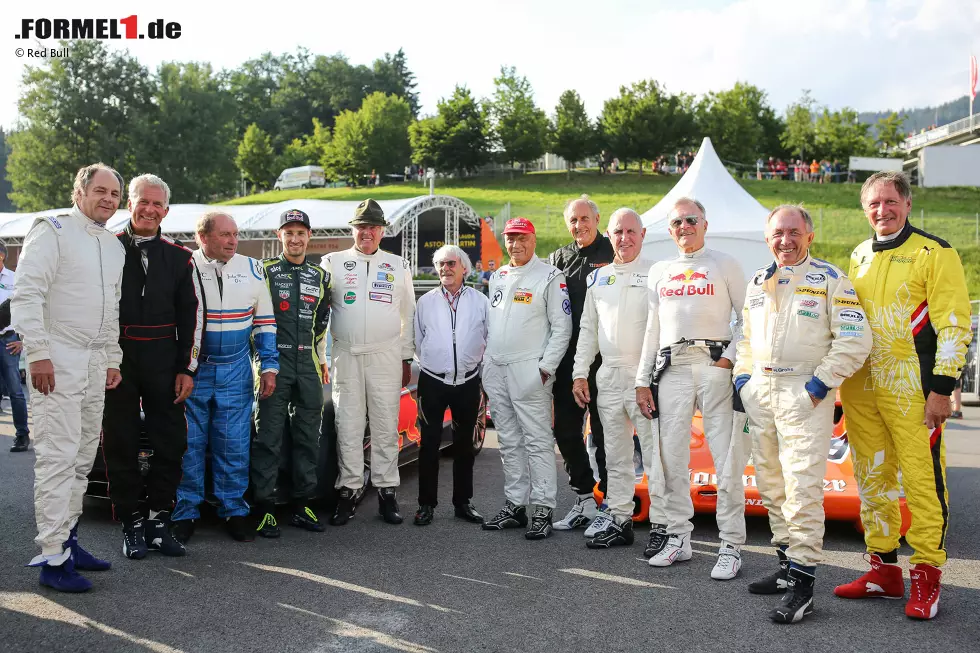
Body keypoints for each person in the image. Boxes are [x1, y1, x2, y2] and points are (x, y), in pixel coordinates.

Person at [836, 171, 971, 620]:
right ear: (864, 209)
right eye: (873, 204)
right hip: (861, 386)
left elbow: (954, 323)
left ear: (907, 204)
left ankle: (927, 574)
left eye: (890, 202)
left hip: (912, 387)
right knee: (872, 478)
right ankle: (883, 570)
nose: (882, 211)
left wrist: (942, 388)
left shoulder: (935, 252)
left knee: (921, 482)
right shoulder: (857, 255)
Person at [734, 204, 871, 623]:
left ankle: (803, 585)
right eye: (778, 233)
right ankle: (784, 565)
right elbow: (743, 338)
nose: (785, 240)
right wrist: (743, 380)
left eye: (794, 232)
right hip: (762, 391)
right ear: (767, 237)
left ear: (809, 236)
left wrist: (819, 384)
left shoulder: (830, 279)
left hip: (804, 393)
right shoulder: (758, 281)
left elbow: (855, 337)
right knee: (771, 486)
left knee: (802, 490)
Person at [13, 162, 126, 592]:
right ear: (79, 191)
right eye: (100, 191)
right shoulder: (53, 229)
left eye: (114, 194)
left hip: (95, 360)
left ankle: (70, 540)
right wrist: (38, 353)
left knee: (81, 459)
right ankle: (53, 558)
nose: (108, 200)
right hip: (57, 357)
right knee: (58, 459)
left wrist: (113, 358)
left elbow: (112, 307)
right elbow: (27, 293)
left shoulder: (113, 247)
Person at [633, 198, 748, 579]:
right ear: (670, 229)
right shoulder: (660, 271)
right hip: (672, 369)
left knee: (726, 458)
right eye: (677, 222)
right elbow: (652, 327)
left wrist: (728, 360)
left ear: (704, 223)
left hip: (714, 365)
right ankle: (678, 537)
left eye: (691, 220)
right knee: (669, 459)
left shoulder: (724, 263)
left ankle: (731, 544)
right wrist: (641, 379)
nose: (684, 226)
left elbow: (748, 319)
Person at [102, 174, 203, 560]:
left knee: (171, 442)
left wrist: (187, 369)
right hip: (118, 360)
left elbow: (192, 317)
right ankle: (130, 522)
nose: (149, 209)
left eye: (157, 204)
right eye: (142, 202)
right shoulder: (106, 249)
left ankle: (160, 520)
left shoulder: (181, 258)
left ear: (166, 210)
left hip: (165, 360)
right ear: (130, 204)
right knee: (120, 442)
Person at [172, 211, 278, 544]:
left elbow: (265, 322)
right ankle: (185, 512)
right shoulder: (183, 266)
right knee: (189, 446)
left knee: (233, 445)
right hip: (194, 369)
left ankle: (234, 510)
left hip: (236, 368)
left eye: (236, 234)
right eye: (225, 235)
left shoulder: (252, 267)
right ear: (203, 237)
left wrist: (269, 366)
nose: (233, 241)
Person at [323, 199, 416, 526]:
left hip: (386, 355)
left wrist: (406, 355)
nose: (367, 232)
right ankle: (348, 491)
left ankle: (387, 493)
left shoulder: (397, 264)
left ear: (382, 231)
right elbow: (321, 315)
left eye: (373, 227)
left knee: (384, 426)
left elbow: (409, 314)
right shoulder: (331, 262)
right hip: (346, 354)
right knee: (346, 427)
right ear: (353, 229)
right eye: (362, 226)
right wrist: (322, 355)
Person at [572, 209, 656, 549]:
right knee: (616, 455)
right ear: (610, 235)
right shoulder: (598, 278)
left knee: (654, 455)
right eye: (618, 232)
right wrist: (580, 373)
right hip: (607, 375)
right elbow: (588, 330)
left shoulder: (656, 274)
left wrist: (647, 377)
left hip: (644, 376)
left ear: (643, 233)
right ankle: (620, 518)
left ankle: (665, 526)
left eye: (631, 231)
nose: (625, 238)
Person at [481, 217, 571, 539]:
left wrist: (546, 368)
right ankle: (515, 505)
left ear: (533, 240)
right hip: (497, 368)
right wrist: (487, 363)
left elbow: (562, 328)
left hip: (529, 369)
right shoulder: (499, 277)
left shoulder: (549, 275)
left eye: (522, 239)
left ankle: (543, 508)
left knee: (537, 440)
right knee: (507, 440)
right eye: (510, 239)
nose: (516, 245)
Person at [251, 209, 331, 538]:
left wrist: (322, 359)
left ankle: (302, 504)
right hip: (273, 365)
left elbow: (322, 325)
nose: (295, 238)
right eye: (289, 232)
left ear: (309, 236)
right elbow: (252, 322)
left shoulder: (321, 276)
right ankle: (264, 508)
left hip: (309, 366)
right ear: (279, 236)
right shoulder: (264, 271)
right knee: (268, 437)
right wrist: (259, 363)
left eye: (301, 232)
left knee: (308, 439)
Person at [547, 195, 614, 533]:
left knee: (605, 434)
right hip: (567, 363)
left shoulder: (613, 251)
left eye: (584, 218)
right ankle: (585, 498)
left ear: (597, 219)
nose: (579, 226)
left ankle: (612, 504)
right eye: (573, 220)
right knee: (565, 431)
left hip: (604, 362)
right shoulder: (558, 258)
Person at [413, 245, 488, 526]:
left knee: (464, 446)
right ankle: (425, 505)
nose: (445, 268)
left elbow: (487, 337)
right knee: (429, 444)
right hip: (432, 381)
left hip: (468, 381)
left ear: (464, 268)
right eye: (441, 264)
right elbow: (419, 340)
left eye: (451, 263)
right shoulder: (426, 302)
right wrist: (437, 363)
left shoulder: (481, 301)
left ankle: (462, 503)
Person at [0, 241, 30, 452]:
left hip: (9, 340)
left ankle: (22, 435)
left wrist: (23, 339)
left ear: (1, 256)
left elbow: (26, 309)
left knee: (15, 390)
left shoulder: (15, 279)